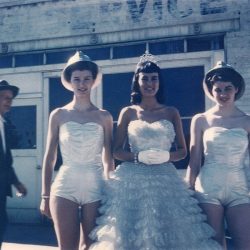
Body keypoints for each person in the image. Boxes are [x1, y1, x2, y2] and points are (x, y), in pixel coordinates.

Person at [90, 52, 222, 250]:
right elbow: (116, 151)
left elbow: (183, 151)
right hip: (132, 180)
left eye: (154, 79)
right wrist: (137, 156)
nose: (150, 83)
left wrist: (167, 156)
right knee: (127, 236)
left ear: (159, 82)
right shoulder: (128, 112)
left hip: (165, 179)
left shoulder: (171, 112)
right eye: (145, 79)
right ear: (137, 81)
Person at [40, 51, 114, 250]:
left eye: (86, 79)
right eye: (77, 79)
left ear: (93, 81)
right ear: (70, 82)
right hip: (65, 186)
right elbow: (49, 158)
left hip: (96, 187)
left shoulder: (104, 116)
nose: (82, 84)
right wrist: (45, 196)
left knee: (92, 247)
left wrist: (112, 190)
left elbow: (108, 160)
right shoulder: (58, 115)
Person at [186, 61, 250, 249]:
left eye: (227, 88)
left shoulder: (247, 121)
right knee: (213, 245)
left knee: (244, 243)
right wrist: (188, 188)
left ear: (236, 89)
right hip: (208, 187)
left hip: (239, 188)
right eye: (218, 89)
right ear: (211, 91)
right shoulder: (201, 120)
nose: (223, 94)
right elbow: (195, 159)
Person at [0, 80, 27, 249]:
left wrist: (17, 183)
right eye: (3, 97)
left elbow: (5, 161)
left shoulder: (4, 125)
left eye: (10, 98)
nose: (8, 101)